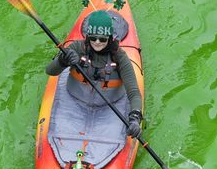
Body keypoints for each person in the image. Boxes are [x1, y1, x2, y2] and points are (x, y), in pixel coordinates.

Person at [45, 10, 143, 139]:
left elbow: (134, 92)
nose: (97, 42)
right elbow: (50, 71)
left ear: (110, 37)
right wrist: (63, 60)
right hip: (74, 101)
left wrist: (135, 118)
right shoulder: (77, 48)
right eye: (93, 37)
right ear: (87, 36)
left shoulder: (120, 57)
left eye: (102, 39)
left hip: (109, 107)